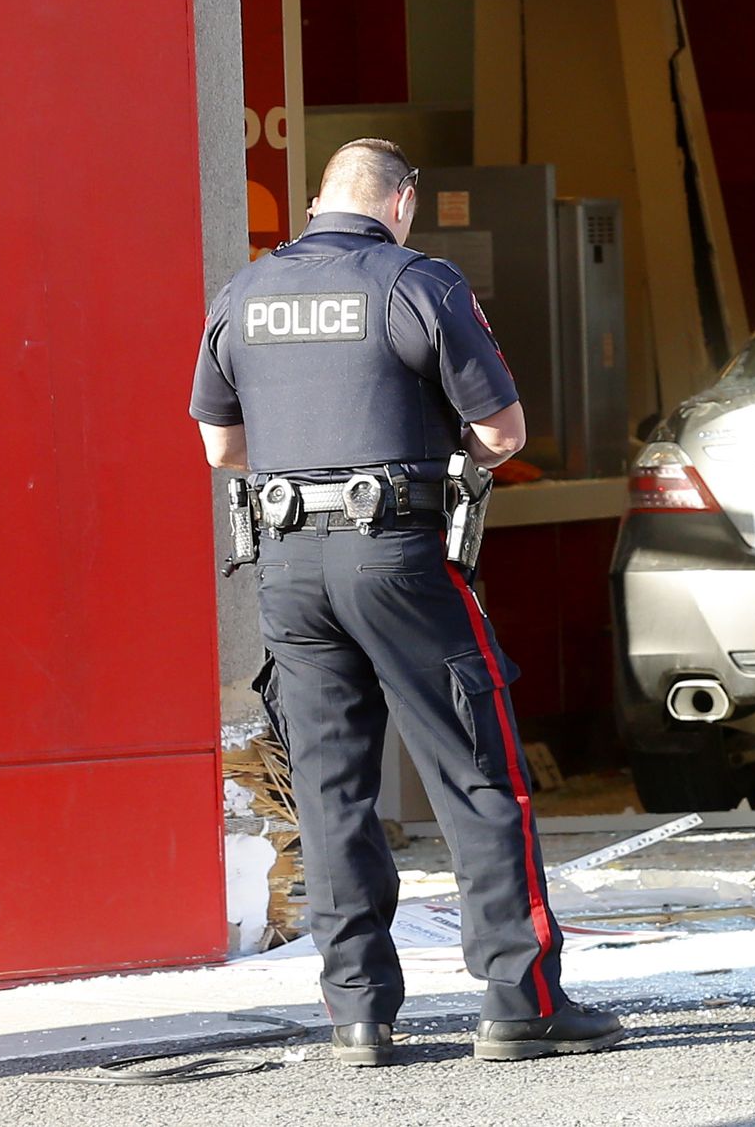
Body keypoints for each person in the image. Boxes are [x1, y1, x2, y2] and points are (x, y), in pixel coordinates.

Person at [193, 137, 624, 1066]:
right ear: (403, 201)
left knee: (330, 787)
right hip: (397, 554)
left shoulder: (244, 293)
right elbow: (501, 432)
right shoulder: (415, 283)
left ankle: (357, 1016)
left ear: (318, 202)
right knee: (477, 767)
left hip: (288, 567)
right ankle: (521, 1002)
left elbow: (221, 451)